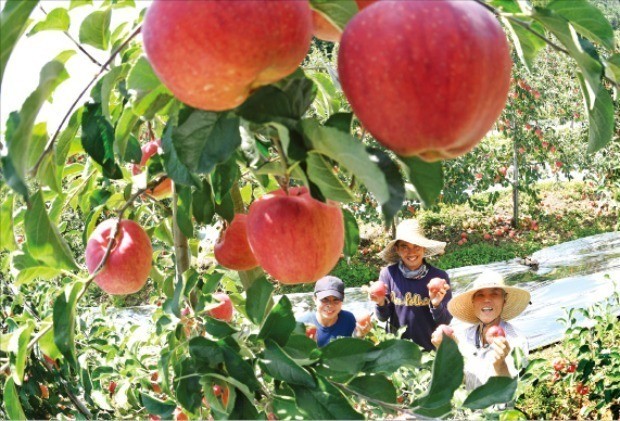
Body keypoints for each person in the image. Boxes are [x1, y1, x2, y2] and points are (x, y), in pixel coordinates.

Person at [433, 270, 530, 391]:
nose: (487, 300)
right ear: (473, 302)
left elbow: (512, 393)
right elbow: (460, 382)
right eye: (480, 295)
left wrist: (500, 365)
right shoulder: (462, 338)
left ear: (504, 301)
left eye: (494, 294)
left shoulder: (516, 340)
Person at [368, 219, 452, 351]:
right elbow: (383, 317)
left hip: (430, 351)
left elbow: (445, 321)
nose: (411, 252)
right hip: (398, 352)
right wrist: (380, 303)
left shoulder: (439, 278)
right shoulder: (388, 275)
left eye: (416, 246)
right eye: (404, 246)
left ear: (423, 248)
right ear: (397, 249)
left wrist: (436, 304)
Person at [298, 276, 371, 347]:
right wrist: (307, 350)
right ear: (315, 299)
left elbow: (351, 352)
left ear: (342, 300)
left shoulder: (348, 320)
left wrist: (360, 335)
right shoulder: (302, 325)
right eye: (324, 299)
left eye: (336, 300)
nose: (330, 305)